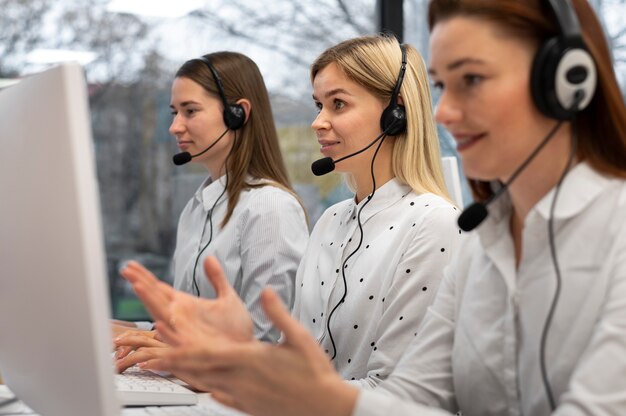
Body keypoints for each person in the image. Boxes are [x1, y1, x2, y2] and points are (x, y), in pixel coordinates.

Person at [120, 0, 626, 415]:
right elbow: (414, 398)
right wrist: (244, 360)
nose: (445, 111)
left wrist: (251, 365)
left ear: (565, 81)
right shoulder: (482, 242)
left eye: (470, 79)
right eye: (444, 86)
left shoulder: (451, 227)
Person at [116, 35, 461, 386]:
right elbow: (289, 359)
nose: (318, 122)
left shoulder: (433, 223)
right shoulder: (332, 221)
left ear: (395, 114)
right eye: (318, 105)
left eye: (338, 104)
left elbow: (397, 392)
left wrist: (226, 367)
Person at [112, 51, 309, 351]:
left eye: (190, 111)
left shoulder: (270, 208)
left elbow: (265, 340)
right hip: (188, 382)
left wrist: (168, 349)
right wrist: (125, 331)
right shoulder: (195, 209)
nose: (174, 126)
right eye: (174, 112)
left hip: (232, 393)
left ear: (238, 113)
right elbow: (186, 327)